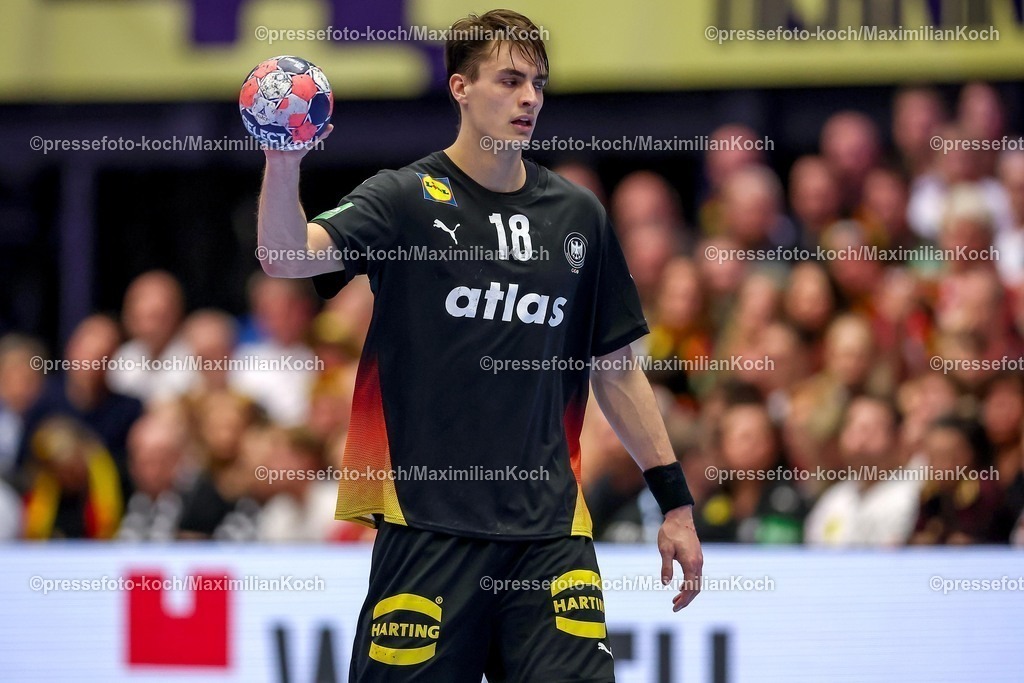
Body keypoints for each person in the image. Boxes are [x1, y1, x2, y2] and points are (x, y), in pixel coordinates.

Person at [255, 9, 702, 681]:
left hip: (550, 533)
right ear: (461, 88)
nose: (530, 98)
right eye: (511, 80)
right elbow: (285, 256)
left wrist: (675, 502)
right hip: (430, 532)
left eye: (539, 84)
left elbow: (615, 370)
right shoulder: (404, 199)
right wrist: (283, 159)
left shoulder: (578, 215)